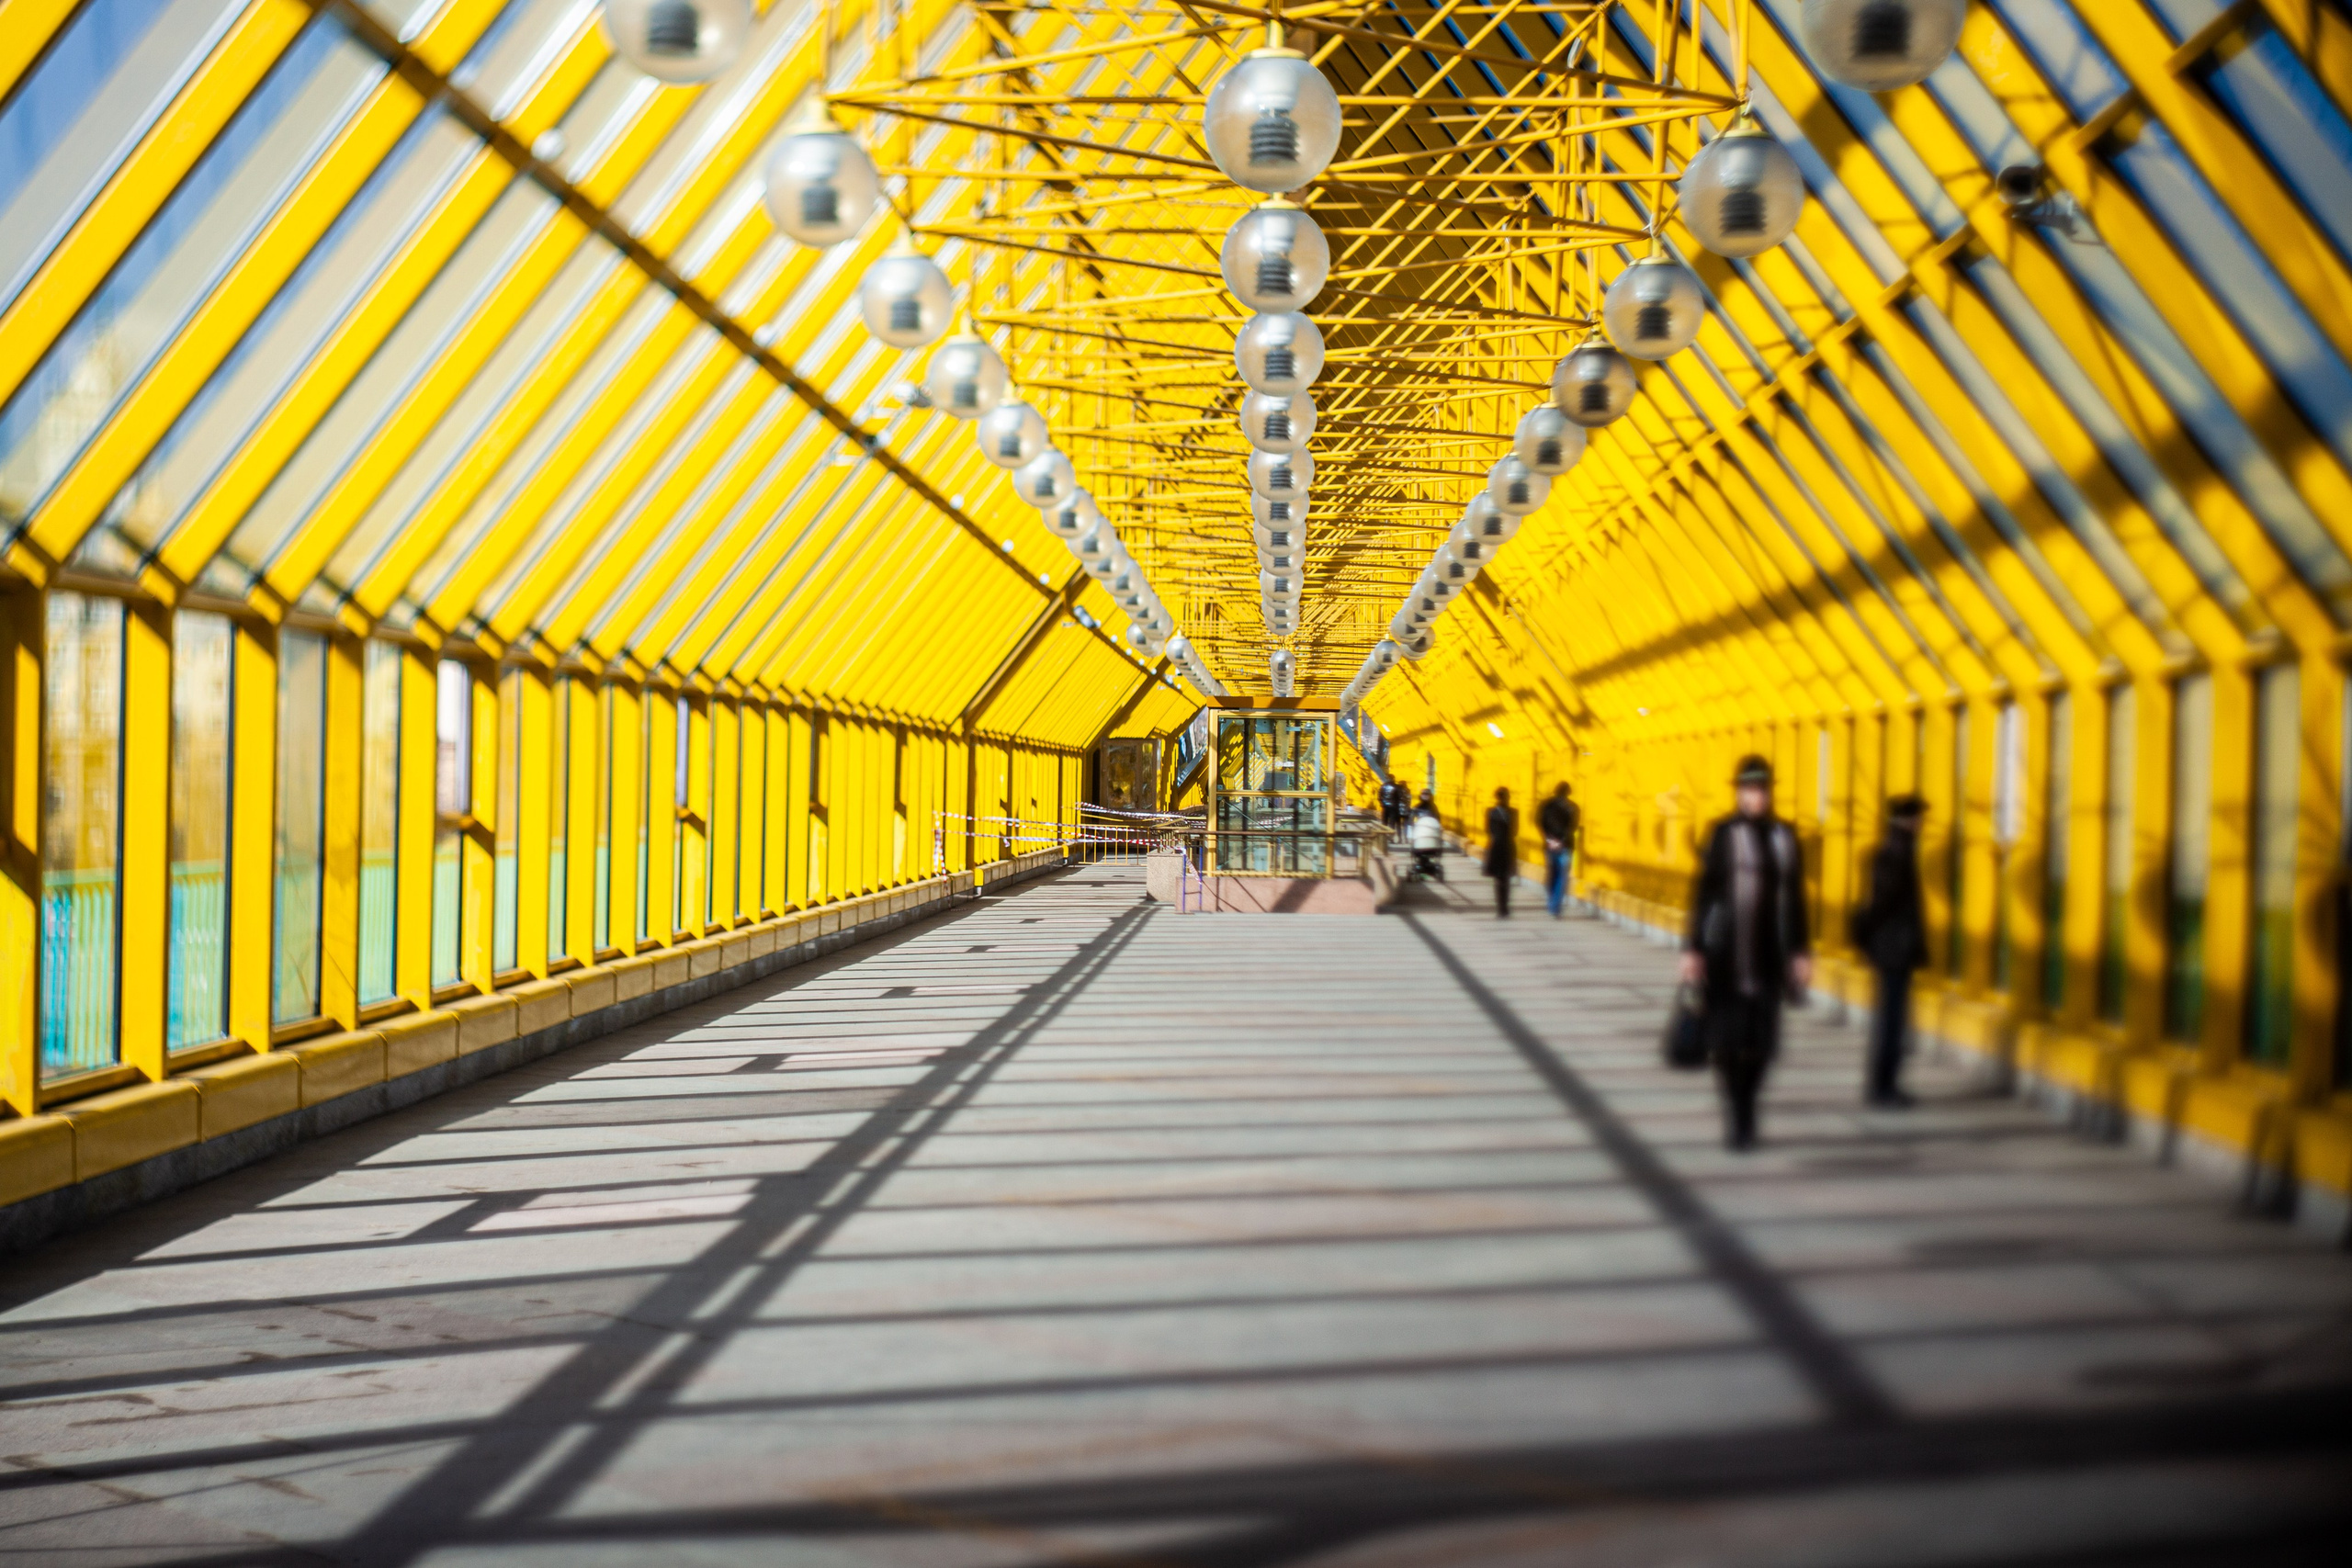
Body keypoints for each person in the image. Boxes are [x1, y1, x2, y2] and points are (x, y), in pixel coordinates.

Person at [1680, 755, 1813, 1151]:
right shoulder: (1721, 834)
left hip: (1769, 957)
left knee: (1763, 1044)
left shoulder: (1785, 837)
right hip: (1725, 956)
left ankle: (1748, 1103)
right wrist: (1693, 949)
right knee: (1725, 1043)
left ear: (1770, 792)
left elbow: (1797, 900)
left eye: (1761, 789)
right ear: (1738, 792)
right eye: (1748, 790)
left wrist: (1802, 952)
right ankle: (1738, 1114)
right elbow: (1703, 894)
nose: (1755, 797)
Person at [1855, 795, 1928, 1108]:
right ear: (1908, 820)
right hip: (1894, 949)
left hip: (1893, 947)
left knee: (1892, 1019)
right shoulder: (1896, 853)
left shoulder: (1896, 850)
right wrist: (1867, 934)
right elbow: (1882, 903)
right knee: (1892, 1020)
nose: (1922, 824)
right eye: (1919, 818)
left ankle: (1884, 1084)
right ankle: (1883, 1087)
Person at [1538, 782, 1580, 919]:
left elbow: (1540, 823)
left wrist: (1550, 840)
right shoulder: (1573, 807)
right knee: (1562, 876)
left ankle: (1552, 901)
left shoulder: (1546, 805)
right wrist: (1560, 841)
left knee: (1552, 874)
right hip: (1565, 846)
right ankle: (1555, 906)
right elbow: (1572, 827)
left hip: (1550, 845)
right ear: (1568, 792)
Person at [1485, 786, 1520, 919]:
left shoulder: (1491, 812)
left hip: (1495, 847)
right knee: (1506, 878)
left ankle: (1501, 908)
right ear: (1507, 797)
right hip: (1508, 846)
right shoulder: (1514, 812)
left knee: (1498, 879)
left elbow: (1487, 830)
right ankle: (1504, 908)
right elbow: (1515, 831)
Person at [1409, 792, 1445, 881]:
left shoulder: (1417, 807)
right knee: (1433, 850)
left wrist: (1411, 833)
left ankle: (1420, 869)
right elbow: (1438, 820)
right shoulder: (1434, 807)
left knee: (1419, 852)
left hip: (1420, 840)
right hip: (1433, 841)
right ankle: (1432, 869)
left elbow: (1411, 820)